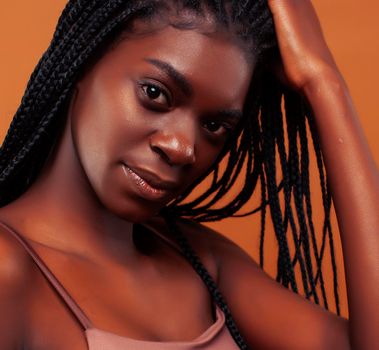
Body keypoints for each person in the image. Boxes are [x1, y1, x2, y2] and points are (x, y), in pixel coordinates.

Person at [0, 0, 378, 349]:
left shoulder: (202, 262)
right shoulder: (9, 272)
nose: (183, 148)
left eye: (213, 126)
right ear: (84, 57)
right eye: (155, 93)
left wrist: (323, 81)